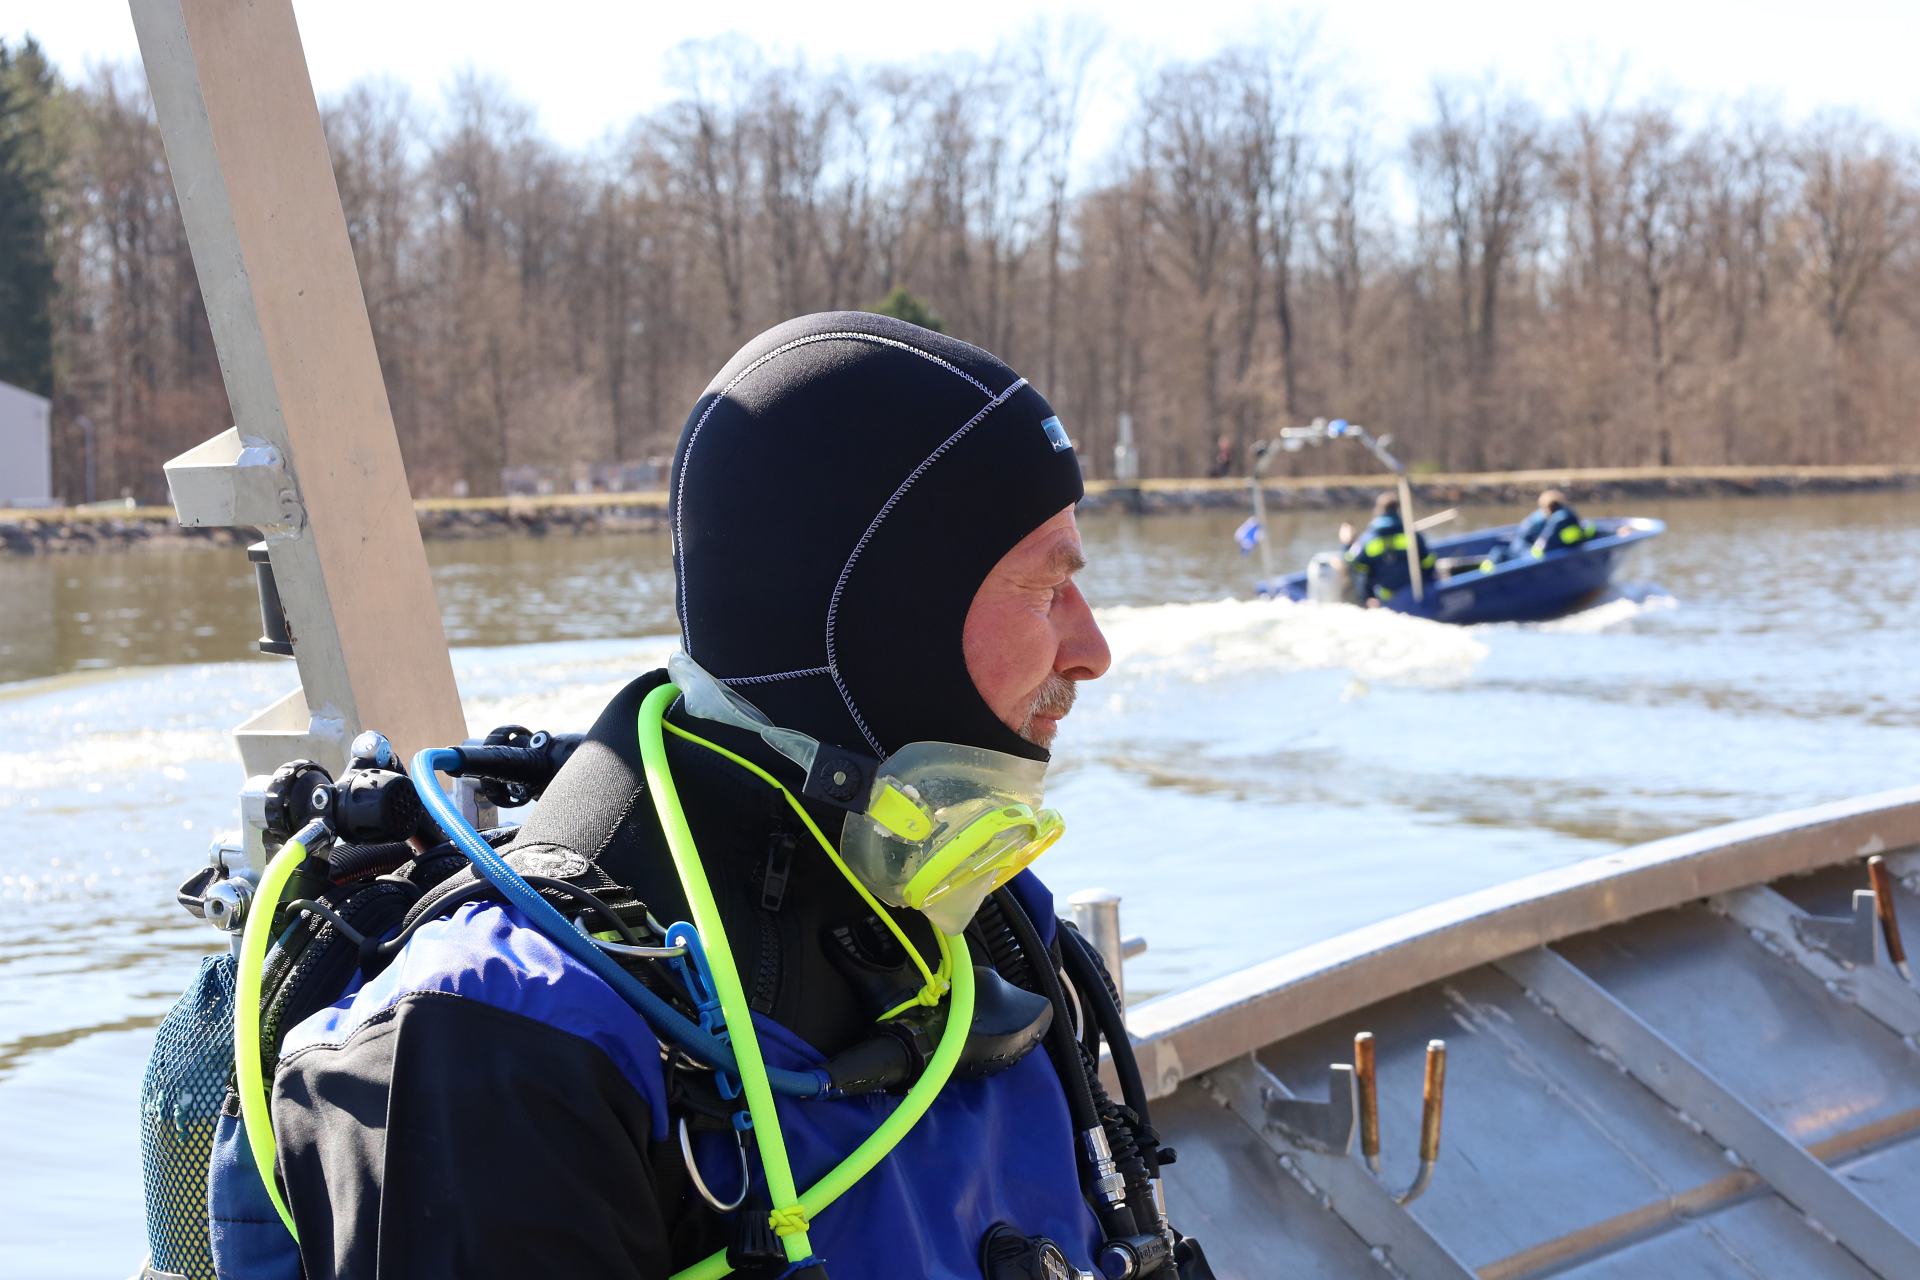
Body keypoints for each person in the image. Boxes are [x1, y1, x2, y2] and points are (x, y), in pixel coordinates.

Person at [261, 312, 1210, 1280]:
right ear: (891, 620)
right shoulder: (497, 1046)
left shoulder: (997, 937)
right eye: (1047, 589)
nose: (1092, 648)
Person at [1344, 491, 1433, 604]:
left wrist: (1346, 544)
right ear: (1398, 509)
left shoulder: (1368, 539)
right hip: (1414, 593)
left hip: (1385, 597)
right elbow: (1428, 561)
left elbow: (1353, 562)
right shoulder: (1412, 534)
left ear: (1379, 510)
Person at [1501, 489, 1595, 562]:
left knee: (1504, 554)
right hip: (1568, 551)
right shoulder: (1570, 515)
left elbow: (1543, 546)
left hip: (1535, 552)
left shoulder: (1557, 519)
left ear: (1547, 508)